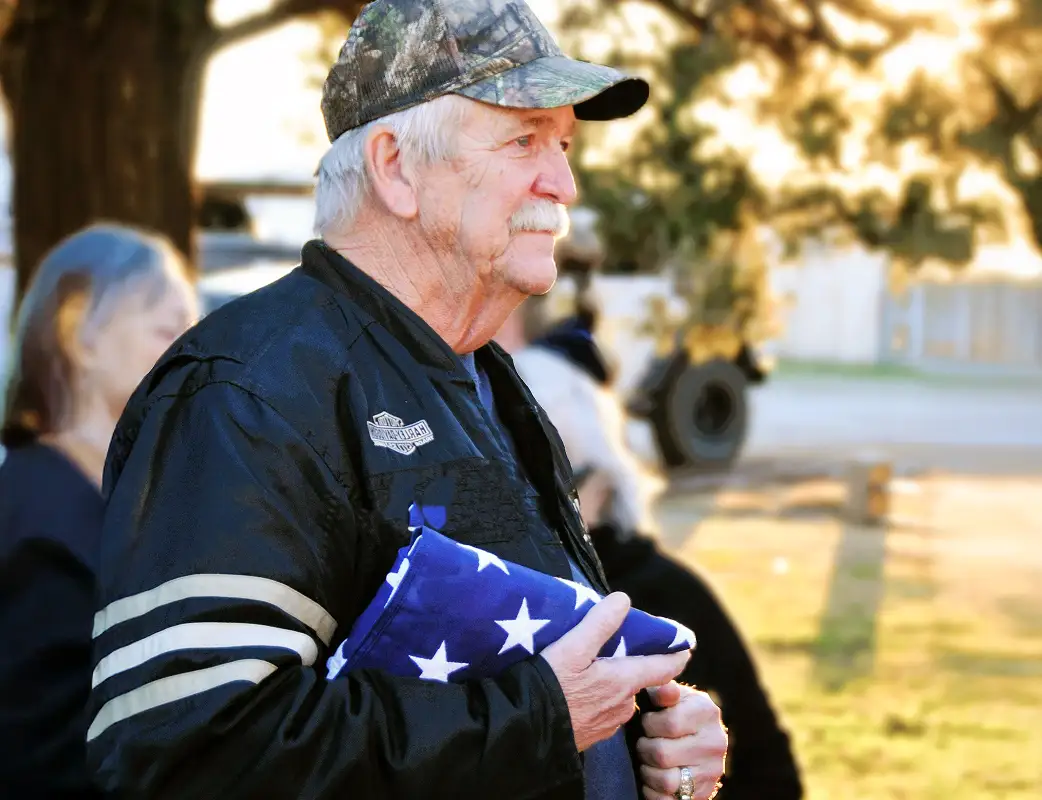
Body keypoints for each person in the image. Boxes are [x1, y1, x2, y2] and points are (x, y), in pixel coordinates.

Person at [85, 2, 728, 799]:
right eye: (524, 139)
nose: (563, 182)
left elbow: (532, 687)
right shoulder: (248, 390)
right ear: (395, 166)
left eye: (564, 144)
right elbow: (188, 757)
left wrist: (641, 742)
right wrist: (540, 721)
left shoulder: (485, 379)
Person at [498, 296, 805, 799]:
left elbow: (769, 775)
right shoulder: (489, 593)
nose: (524, 506)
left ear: (602, 482)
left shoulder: (671, 599)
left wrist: (686, 785)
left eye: (553, 484)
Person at [0, 223, 196, 797]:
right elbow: (42, 763)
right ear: (76, 330)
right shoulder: (38, 520)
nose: (193, 348)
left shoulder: (132, 499)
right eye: (167, 327)